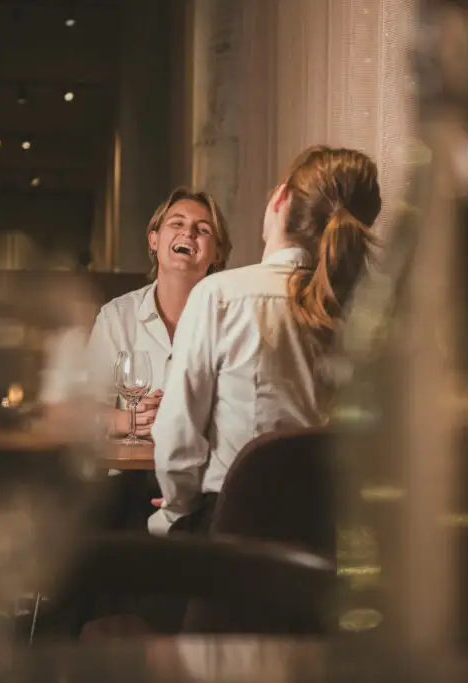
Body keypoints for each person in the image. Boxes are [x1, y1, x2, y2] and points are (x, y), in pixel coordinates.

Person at [148, 145, 382, 536]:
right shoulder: (373, 313)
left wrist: (175, 510)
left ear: (281, 198)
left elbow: (178, 436)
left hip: (238, 528)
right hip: (332, 533)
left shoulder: (221, 295)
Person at [75, 187, 231, 438]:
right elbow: (86, 411)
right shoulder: (116, 317)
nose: (188, 232)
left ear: (217, 254)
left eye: (203, 229)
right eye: (177, 223)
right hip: (130, 463)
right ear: (154, 240)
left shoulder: (232, 321)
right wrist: (126, 421)